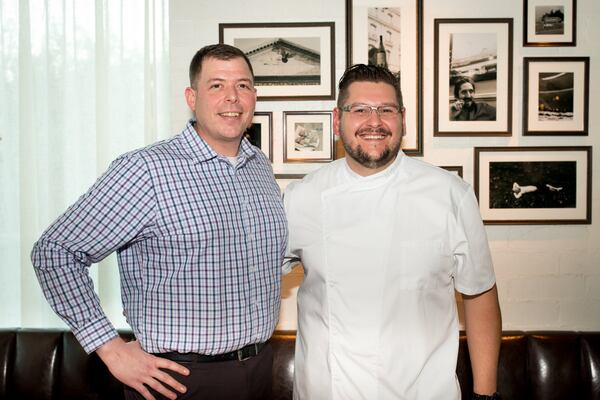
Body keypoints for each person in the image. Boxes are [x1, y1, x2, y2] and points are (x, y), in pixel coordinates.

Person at [31, 44, 288, 400]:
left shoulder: (258, 166)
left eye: (242, 86)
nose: (232, 97)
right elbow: (55, 251)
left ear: (254, 96)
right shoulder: (147, 170)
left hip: (258, 369)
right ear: (191, 96)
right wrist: (109, 347)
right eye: (217, 85)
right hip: (179, 380)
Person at [284, 64, 502, 400]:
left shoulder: (450, 195)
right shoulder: (301, 198)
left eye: (386, 110)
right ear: (336, 120)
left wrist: (486, 395)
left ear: (402, 118)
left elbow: (480, 294)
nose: (374, 122)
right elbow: (248, 277)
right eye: (359, 110)